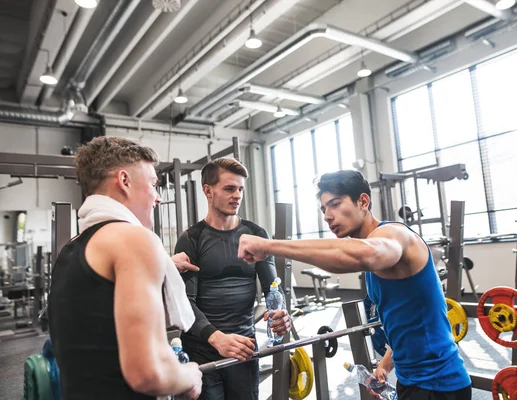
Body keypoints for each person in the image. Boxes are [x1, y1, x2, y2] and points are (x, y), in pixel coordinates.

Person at [237, 170, 472, 400]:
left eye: (335, 204)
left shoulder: (394, 234)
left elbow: (364, 255)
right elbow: (406, 322)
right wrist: (386, 365)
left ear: (363, 201)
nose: (327, 215)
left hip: (440, 384)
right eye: (323, 209)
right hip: (412, 380)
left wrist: (268, 246)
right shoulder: (372, 250)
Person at [48, 136, 203, 399]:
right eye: (154, 184)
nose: (157, 198)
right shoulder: (133, 240)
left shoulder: (73, 248)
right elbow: (148, 374)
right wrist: (189, 375)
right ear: (124, 181)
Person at [174, 157, 291, 400]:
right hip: (203, 348)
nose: (237, 195)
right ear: (208, 190)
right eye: (229, 188)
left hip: (243, 347)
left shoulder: (256, 234)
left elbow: (273, 290)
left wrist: (281, 314)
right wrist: (217, 339)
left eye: (240, 189)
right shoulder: (192, 239)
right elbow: (186, 303)